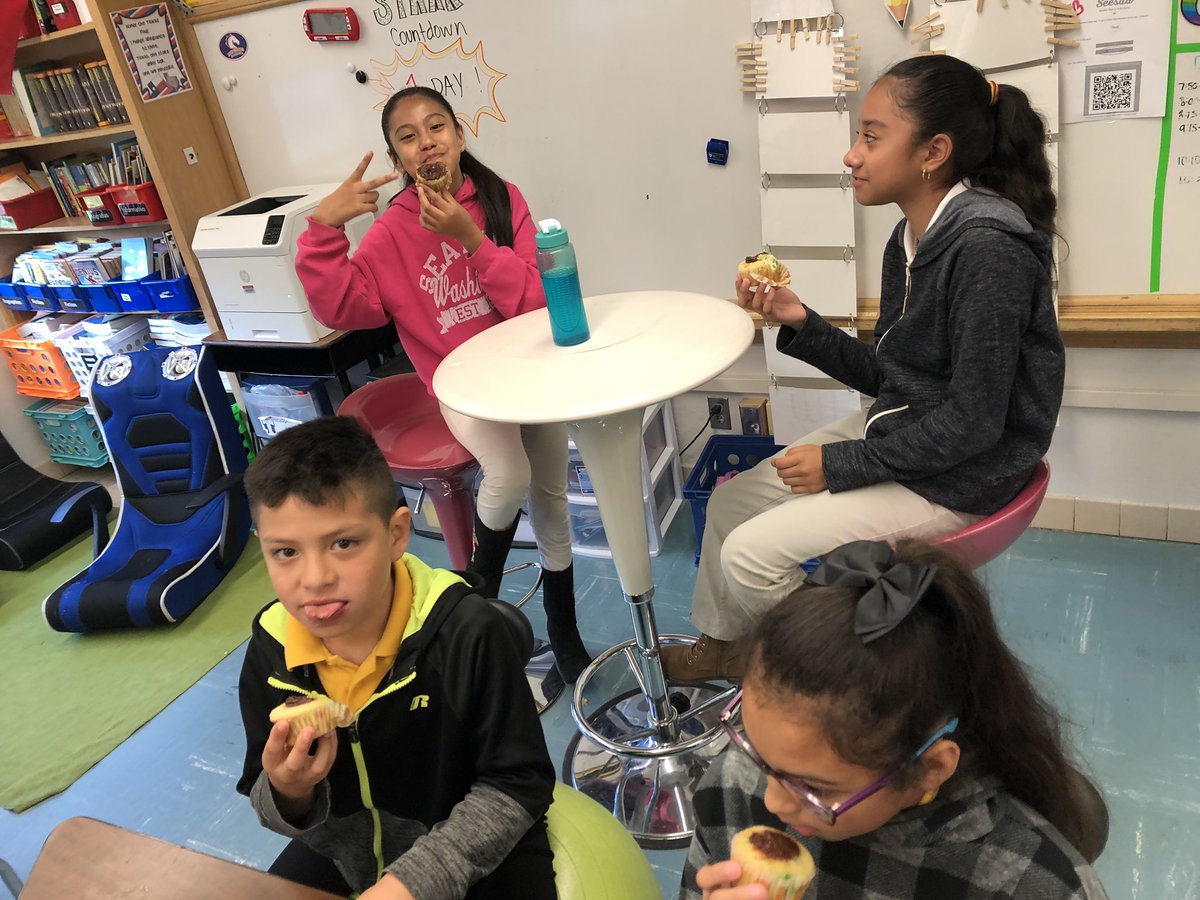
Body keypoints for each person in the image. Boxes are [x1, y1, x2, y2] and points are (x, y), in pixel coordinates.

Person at [662, 54, 1065, 682]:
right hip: (909, 437)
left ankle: (842, 685)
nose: (852, 155)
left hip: (961, 476)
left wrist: (842, 466)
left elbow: (976, 422)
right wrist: (801, 323)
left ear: (933, 152)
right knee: (732, 505)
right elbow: (891, 377)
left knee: (749, 557)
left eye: (871, 137)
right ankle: (727, 649)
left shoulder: (987, 249)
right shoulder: (908, 238)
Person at [293, 85, 591, 682]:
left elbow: (538, 301)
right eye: (408, 136)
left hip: (531, 375)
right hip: (460, 387)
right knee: (510, 474)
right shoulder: (391, 233)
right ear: (397, 158)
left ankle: (564, 629)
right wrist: (323, 228)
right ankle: (478, 598)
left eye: (436, 128)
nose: (426, 142)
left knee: (552, 499)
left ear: (458, 136)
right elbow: (345, 308)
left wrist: (472, 240)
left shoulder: (502, 201)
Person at [236, 416, 557, 900]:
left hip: (476, 854)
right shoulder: (271, 648)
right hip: (344, 854)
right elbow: (262, 787)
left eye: (344, 544)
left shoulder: (469, 635)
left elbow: (518, 785)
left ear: (396, 534)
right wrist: (289, 791)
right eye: (285, 552)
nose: (315, 578)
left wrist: (409, 884)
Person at [681, 538, 1109, 900]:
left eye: (813, 789)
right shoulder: (732, 790)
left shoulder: (1029, 883)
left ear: (930, 768)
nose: (772, 800)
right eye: (756, 751)